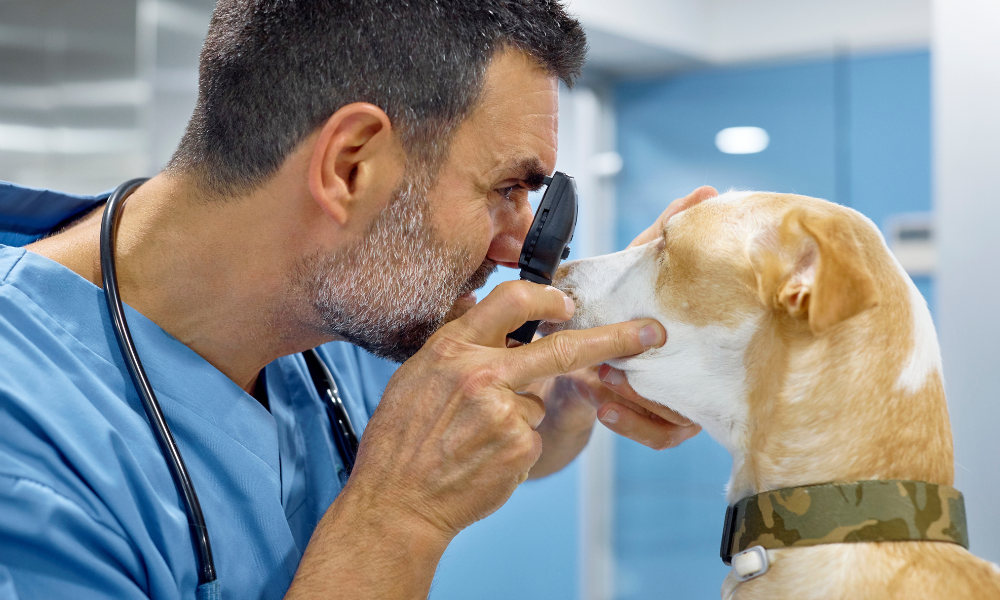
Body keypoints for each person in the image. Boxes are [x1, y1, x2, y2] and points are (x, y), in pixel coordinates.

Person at [0, 1, 715, 598]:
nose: (516, 246)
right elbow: (413, 483)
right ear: (350, 166)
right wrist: (398, 518)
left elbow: (496, 443)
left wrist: (565, 379)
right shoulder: (24, 444)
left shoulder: (337, 303)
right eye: (506, 189)